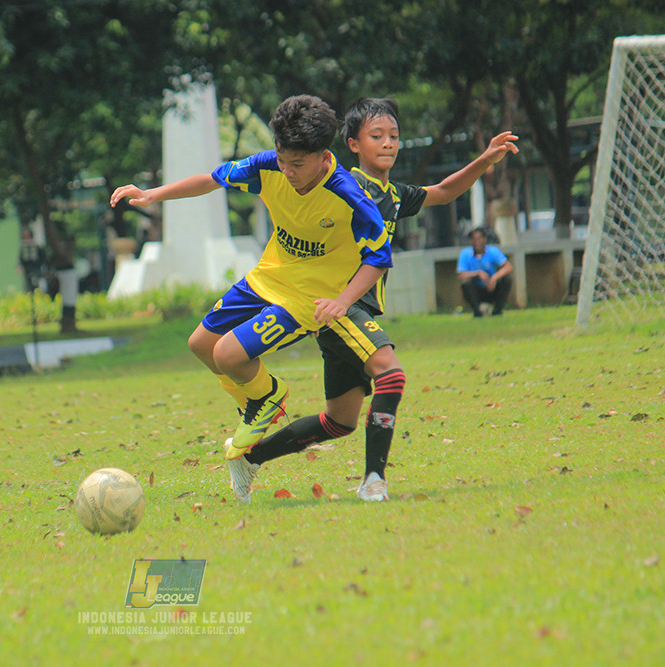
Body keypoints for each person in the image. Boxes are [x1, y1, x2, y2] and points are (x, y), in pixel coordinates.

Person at [226, 97, 519, 503]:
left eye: (394, 136)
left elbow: (445, 191)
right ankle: (373, 481)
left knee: (339, 421)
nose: (388, 144)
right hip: (340, 305)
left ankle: (251, 458)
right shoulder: (346, 186)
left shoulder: (393, 195)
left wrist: (485, 160)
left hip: (349, 309)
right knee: (391, 374)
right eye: (376, 136)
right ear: (352, 145)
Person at [110, 94, 391, 464]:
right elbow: (211, 180)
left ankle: (268, 395)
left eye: (297, 164)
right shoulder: (268, 167)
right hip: (266, 278)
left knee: (228, 354)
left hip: (307, 298)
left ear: (324, 158)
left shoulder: (349, 196)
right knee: (201, 344)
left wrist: (342, 301)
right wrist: (152, 195)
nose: (286, 170)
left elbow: (378, 259)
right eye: (281, 159)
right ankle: (261, 401)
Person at [458, 227, 514, 317]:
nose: (477, 242)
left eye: (479, 238)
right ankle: (477, 312)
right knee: (466, 283)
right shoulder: (465, 254)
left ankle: (497, 311)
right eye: (474, 239)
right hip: (477, 290)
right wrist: (478, 274)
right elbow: (461, 274)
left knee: (507, 279)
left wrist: (494, 278)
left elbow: (508, 267)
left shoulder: (493, 251)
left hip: (492, 288)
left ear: (484, 239)